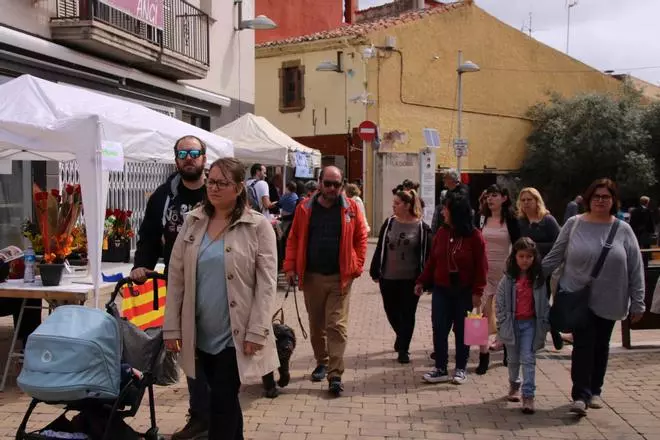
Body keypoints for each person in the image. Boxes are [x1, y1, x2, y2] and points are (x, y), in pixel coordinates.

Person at [164, 158, 279, 439]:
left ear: (239, 187)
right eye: (210, 181)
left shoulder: (257, 226)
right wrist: (171, 327)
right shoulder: (194, 221)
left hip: (235, 333)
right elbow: (176, 277)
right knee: (217, 402)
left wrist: (257, 330)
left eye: (221, 183)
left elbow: (267, 284)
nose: (213, 188)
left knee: (222, 402)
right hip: (199, 333)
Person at [543, 178, 645, 416]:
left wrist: (638, 302)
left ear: (613, 201)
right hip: (578, 296)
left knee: (601, 345)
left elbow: (635, 268)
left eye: (606, 197)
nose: (600, 201)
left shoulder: (623, 229)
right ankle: (580, 395)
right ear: (588, 199)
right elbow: (555, 255)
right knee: (583, 344)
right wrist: (527, 275)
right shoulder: (574, 224)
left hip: (611, 297)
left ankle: (595, 389)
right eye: (596, 196)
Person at [130, 135, 209, 440]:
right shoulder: (164, 196)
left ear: (204, 157)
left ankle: (217, 415)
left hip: (216, 282)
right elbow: (149, 235)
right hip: (179, 284)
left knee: (217, 351)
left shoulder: (215, 190)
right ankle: (200, 416)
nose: (188, 158)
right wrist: (141, 264)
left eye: (194, 153)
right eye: (182, 153)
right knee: (190, 351)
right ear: (176, 159)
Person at [283, 166, 368, 396]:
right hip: (312, 277)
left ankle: (335, 374)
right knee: (317, 325)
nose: (331, 188)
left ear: (342, 185)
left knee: (336, 325)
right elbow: (294, 238)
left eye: (336, 184)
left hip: (340, 278)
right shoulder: (305, 208)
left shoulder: (350, 208)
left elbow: (361, 238)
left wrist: (357, 265)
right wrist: (290, 267)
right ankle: (322, 361)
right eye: (327, 183)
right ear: (319, 183)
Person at [415, 195, 487, 385]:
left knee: (463, 330)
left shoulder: (475, 236)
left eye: (446, 209)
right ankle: (440, 367)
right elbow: (432, 261)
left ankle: (461, 368)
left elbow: (481, 267)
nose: (442, 212)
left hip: (464, 291)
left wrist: (478, 292)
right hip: (441, 290)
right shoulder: (441, 233)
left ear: (455, 212)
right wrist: (421, 281)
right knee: (439, 328)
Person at [370, 189, 432, 363]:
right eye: (393, 203)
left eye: (397, 204)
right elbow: (380, 247)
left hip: (411, 280)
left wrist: (425, 280)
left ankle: (404, 349)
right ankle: (401, 334)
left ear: (407, 206)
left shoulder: (421, 227)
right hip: (388, 277)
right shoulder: (389, 223)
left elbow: (427, 255)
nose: (393, 206)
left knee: (408, 313)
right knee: (391, 311)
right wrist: (375, 270)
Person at [496, 237, 550, 415]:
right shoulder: (508, 279)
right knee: (513, 359)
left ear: (534, 258)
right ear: (515, 257)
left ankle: (528, 395)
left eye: (529, 256)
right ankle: (514, 384)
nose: (525, 260)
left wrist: (544, 322)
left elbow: (543, 303)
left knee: (528, 358)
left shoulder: (538, 280)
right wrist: (503, 321)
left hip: (530, 324)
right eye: (521, 256)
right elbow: (500, 302)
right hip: (512, 324)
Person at [477, 184, 520, 374]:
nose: (490, 199)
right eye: (488, 196)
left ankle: (506, 351)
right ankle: (482, 356)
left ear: (504, 198)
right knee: (477, 314)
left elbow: (520, 246)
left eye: (494, 195)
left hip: (505, 272)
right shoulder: (481, 218)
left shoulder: (511, 220)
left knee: (505, 314)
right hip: (482, 272)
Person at [517, 187, 563, 350]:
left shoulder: (547, 220)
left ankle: (552, 330)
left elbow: (559, 244)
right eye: (523, 200)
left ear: (537, 201)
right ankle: (544, 332)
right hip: (525, 269)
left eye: (530, 199)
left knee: (542, 302)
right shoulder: (520, 221)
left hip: (545, 269)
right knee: (530, 303)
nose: (526, 203)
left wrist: (535, 247)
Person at [431, 169, 470, 234]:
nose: (443, 180)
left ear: (451, 179)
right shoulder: (449, 191)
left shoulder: (462, 189)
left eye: (445, 178)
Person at [629, 196, 655, 266]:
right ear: (647, 202)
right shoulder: (647, 211)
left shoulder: (634, 211)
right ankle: (645, 263)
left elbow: (631, 222)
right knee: (646, 249)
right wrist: (652, 232)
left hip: (636, 232)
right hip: (645, 233)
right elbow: (650, 223)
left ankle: (636, 263)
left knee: (637, 248)